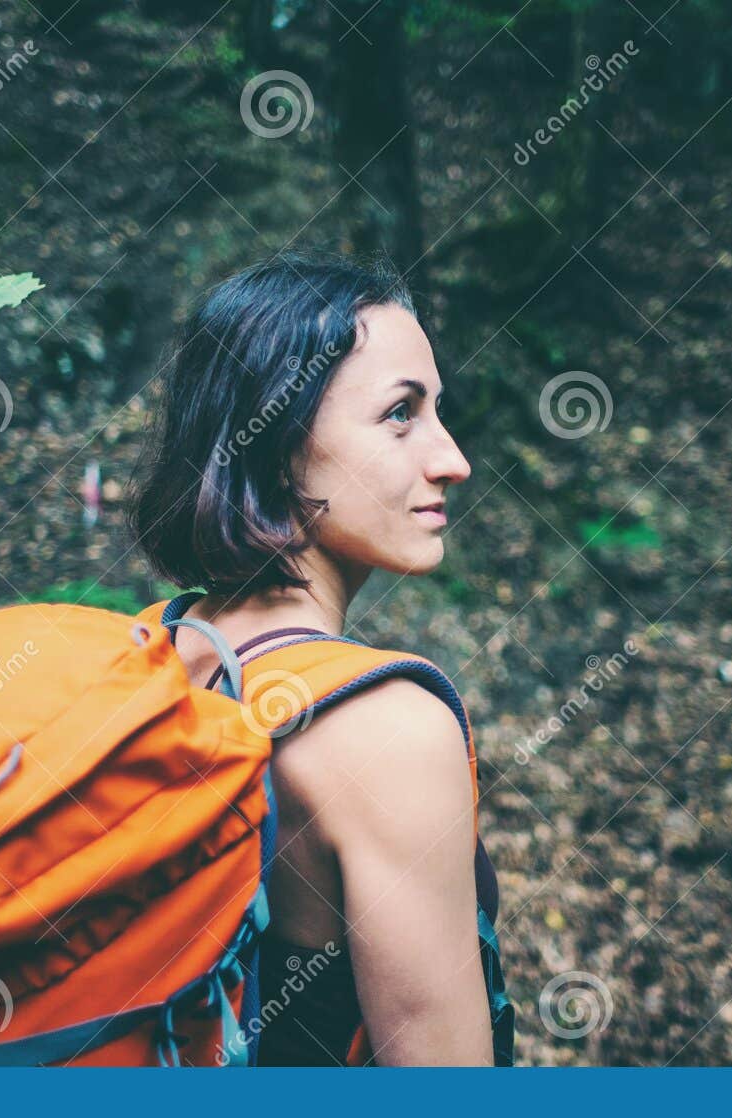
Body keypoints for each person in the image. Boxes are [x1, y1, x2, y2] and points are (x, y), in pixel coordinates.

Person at [128, 251, 499, 1066]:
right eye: (401, 414)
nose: (453, 459)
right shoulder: (389, 733)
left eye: (436, 411)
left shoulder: (159, 643)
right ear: (276, 441)